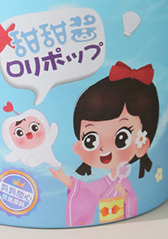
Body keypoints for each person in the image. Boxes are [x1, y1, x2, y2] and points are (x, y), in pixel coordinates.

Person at [50, 61, 159, 226]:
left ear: (142, 144)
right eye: (91, 139)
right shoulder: (105, 182)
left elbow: (131, 199)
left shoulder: (124, 182)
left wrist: (123, 194)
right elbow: (85, 191)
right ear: (78, 146)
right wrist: (64, 178)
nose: (103, 147)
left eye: (121, 138)